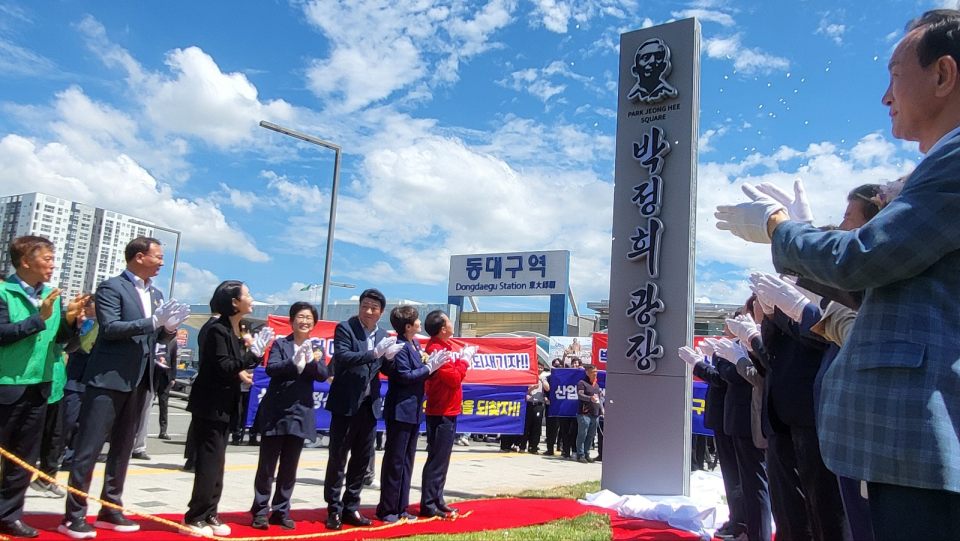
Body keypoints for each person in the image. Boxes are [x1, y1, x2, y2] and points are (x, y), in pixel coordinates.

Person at [714, 11, 960, 539]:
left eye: (895, 76)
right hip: (901, 439)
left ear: (943, 74)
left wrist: (780, 229)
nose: (885, 97)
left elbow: (865, 257)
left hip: (917, 435)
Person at [61, 237, 188, 539]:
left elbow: (156, 338)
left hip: (140, 380)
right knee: (89, 448)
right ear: (139, 257)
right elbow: (110, 328)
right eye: (157, 256)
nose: (161, 262)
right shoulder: (111, 287)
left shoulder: (156, 294)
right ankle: (74, 515)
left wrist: (168, 329)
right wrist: (153, 321)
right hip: (108, 379)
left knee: (122, 448)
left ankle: (110, 507)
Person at [0, 236, 85, 538]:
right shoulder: (3, 291)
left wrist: (71, 321)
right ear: (26, 261)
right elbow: (2, 333)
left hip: (40, 387)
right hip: (7, 384)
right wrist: (39, 318)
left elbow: (61, 342)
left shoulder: (52, 295)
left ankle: (9, 515)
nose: (52, 264)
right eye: (47, 258)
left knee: (24, 458)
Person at [182, 281, 265, 536]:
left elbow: (234, 367)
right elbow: (224, 366)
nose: (251, 299)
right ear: (234, 302)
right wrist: (252, 355)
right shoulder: (216, 329)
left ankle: (210, 512)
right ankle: (195, 516)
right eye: (247, 294)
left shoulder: (235, 328)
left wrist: (251, 357)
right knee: (209, 461)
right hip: (210, 404)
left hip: (226, 404)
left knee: (217, 461)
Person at [323, 288, 402, 531]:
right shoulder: (346, 328)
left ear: (381, 312)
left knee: (361, 459)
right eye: (365, 306)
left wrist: (390, 358)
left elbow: (385, 370)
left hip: (369, 405)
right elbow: (344, 357)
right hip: (346, 403)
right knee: (338, 458)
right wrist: (373, 353)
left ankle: (351, 506)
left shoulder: (383, 334)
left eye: (374, 308)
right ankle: (333, 508)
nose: (368, 311)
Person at [250, 302, 326, 531]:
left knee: (289, 467)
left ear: (314, 323)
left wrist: (311, 362)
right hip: (276, 411)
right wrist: (293, 362)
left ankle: (281, 510)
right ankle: (260, 511)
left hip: (300, 412)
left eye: (309, 318)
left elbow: (322, 374)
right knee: (267, 466)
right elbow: (271, 368)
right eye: (300, 317)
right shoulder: (280, 344)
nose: (305, 321)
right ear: (292, 321)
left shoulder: (316, 347)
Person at [376, 305, 448, 523]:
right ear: (408, 326)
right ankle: (388, 508)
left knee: (407, 460)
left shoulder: (414, 344)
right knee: (395, 461)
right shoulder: (400, 346)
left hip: (414, 409)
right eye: (416, 321)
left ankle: (402, 506)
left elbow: (418, 372)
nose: (419, 323)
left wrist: (430, 366)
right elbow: (405, 376)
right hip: (400, 409)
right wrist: (428, 369)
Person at [419, 310, 472, 518]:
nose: (452, 324)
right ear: (442, 329)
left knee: (442, 458)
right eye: (449, 321)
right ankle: (429, 503)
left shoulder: (444, 347)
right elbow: (454, 378)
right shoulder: (436, 350)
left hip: (448, 408)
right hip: (440, 410)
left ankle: (437, 499)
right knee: (437, 458)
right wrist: (465, 360)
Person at [575, 365, 601, 463]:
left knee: (591, 435)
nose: (595, 374)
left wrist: (601, 410)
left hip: (595, 414)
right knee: (583, 434)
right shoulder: (582, 383)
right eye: (593, 372)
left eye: (596, 371)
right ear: (587, 373)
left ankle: (587, 453)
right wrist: (590, 398)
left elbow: (599, 399)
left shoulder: (596, 385)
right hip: (584, 413)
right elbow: (580, 395)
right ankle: (580, 455)